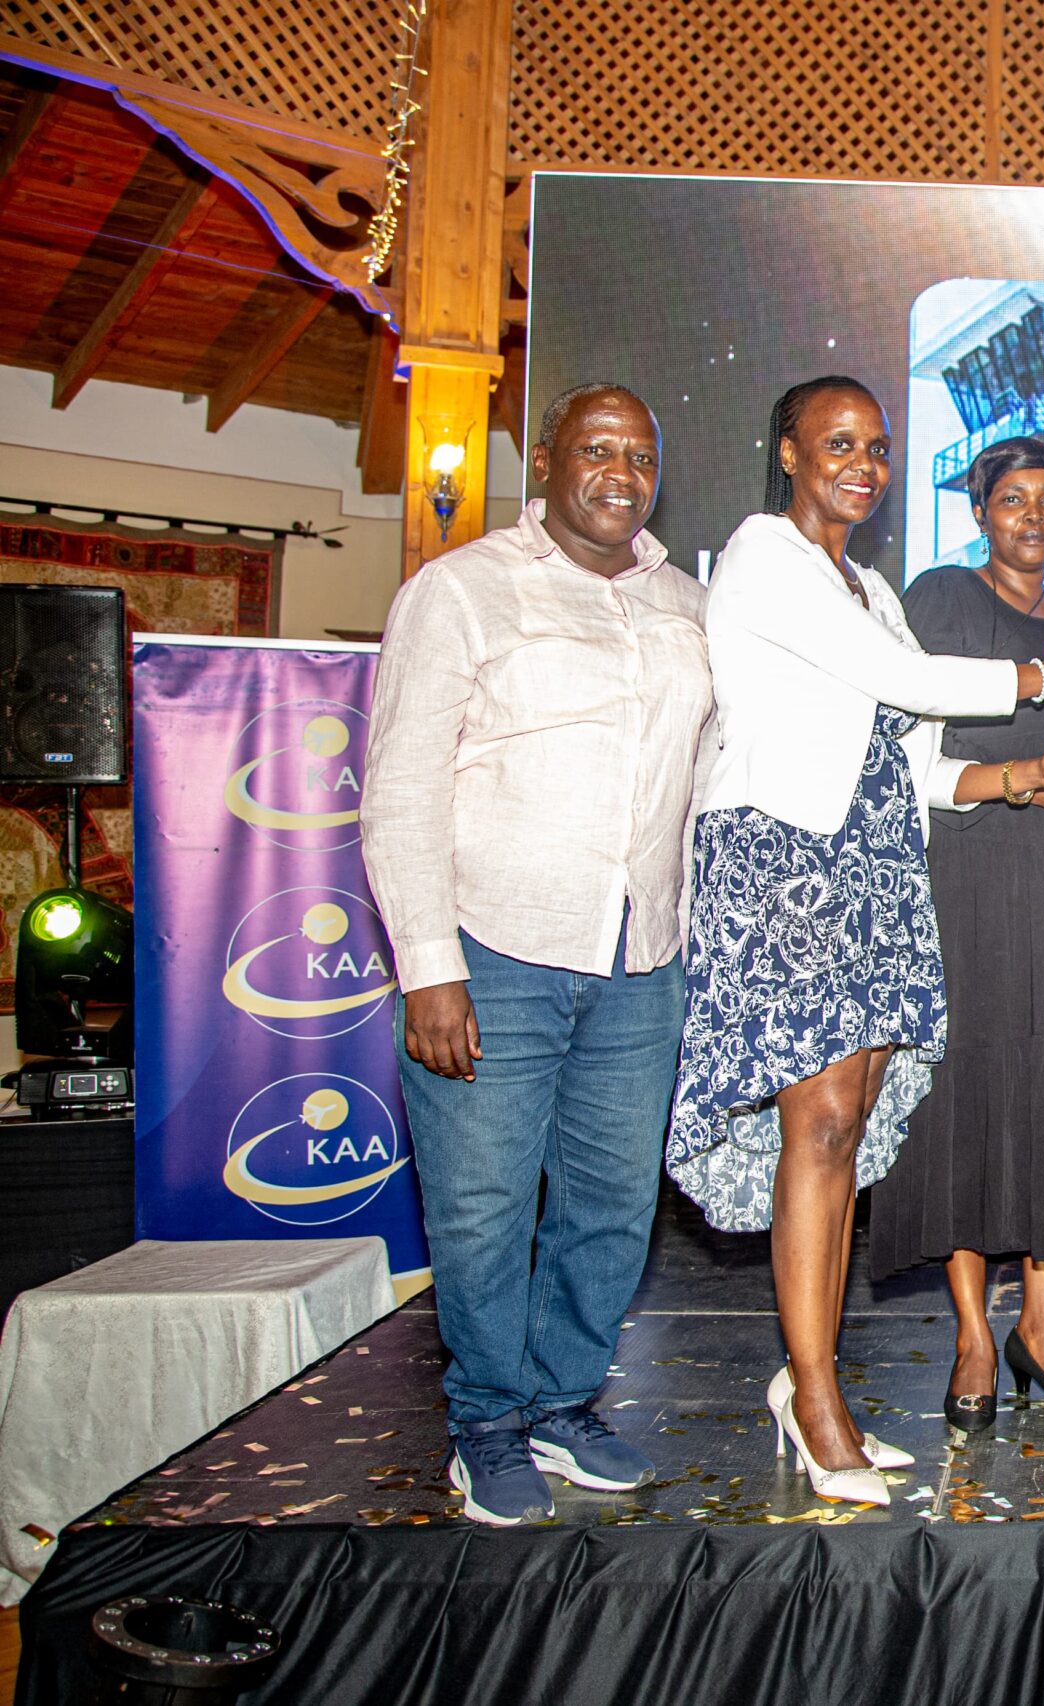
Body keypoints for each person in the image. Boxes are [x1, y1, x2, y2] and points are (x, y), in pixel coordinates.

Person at [665, 377, 1044, 1506]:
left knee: (841, 1137)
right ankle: (814, 1388)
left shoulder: (873, 585)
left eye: (878, 447)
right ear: (785, 450)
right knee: (821, 1120)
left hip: (879, 862)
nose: (863, 462)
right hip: (788, 858)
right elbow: (908, 680)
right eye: (838, 442)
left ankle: (814, 1382)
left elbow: (925, 759)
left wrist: (1025, 776)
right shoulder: (761, 552)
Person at [361, 382, 711, 1527]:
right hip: (490, 950)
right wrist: (428, 965)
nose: (620, 472)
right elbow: (402, 782)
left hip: (640, 955)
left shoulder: (686, 601)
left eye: (640, 455)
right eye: (596, 449)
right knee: (481, 1207)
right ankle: (487, 1421)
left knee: (612, 1206)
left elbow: (703, 782)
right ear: (548, 459)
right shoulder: (459, 590)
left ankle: (564, 1404)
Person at [867, 437, 1044, 1435]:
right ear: (980, 510)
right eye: (1012, 498)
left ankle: (1042, 1326)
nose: (1033, 516)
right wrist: (1038, 787)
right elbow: (912, 750)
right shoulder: (943, 597)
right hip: (972, 874)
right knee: (969, 1094)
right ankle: (973, 1335)